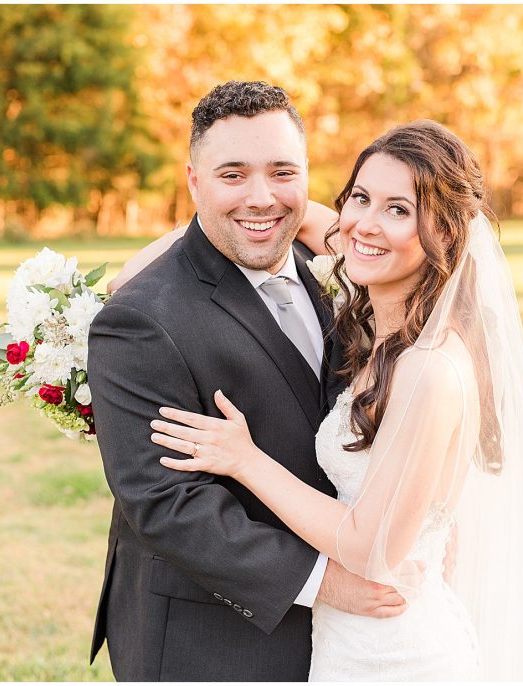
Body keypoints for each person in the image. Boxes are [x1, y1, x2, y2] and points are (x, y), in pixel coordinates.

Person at [149, 120, 523, 680]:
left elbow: (371, 549)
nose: (367, 224)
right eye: (360, 198)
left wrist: (245, 461)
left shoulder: (428, 369)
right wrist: (217, 227)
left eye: (399, 209)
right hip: (353, 638)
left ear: (444, 232)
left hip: (395, 649)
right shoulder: (387, 333)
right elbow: (303, 218)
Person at [87, 81, 408, 682]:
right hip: (209, 641)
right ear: (193, 182)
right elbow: (165, 502)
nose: (262, 197)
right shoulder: (139, 318)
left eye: (282, 171)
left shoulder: (341, 276)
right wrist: (328, 583)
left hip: (348, 642)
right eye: (233, 175)